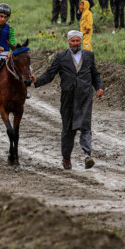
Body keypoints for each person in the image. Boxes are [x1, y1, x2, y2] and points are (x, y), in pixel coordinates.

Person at [31, 30, 104, 170]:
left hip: (84, 96)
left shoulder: (88, 56)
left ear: (81, 41)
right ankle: (66, 158)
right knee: (68, 129)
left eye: (78, 41)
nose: (75, 43)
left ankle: (88, 155)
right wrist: (36, 80)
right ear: (68, 41)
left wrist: (99, 88)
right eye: (73, 41)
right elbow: (50, 75)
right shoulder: (60, 57)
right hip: (68, 98)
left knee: (85, 126)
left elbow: (95, 75)